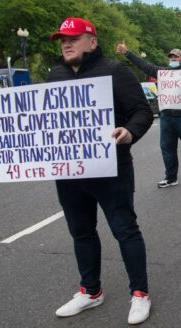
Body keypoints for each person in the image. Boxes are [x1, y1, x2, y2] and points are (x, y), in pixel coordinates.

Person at [48, 17, 153, 324]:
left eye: (73, 38)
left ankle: (140, 294)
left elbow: (142, 112)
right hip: (69, 171)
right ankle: (90, 292)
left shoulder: (115, 71)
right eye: (62, 40)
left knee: (125, 230)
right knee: (81, 232)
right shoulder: (54, 75)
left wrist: (130, 132)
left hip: (111, 169)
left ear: (92, 42)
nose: (66, 44)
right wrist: (11, 143)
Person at [116, 42, 181, 189]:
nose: (173, 59)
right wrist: (128, 53)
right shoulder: (163, 73)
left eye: (176, 57)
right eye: (171, 57)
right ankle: (171, 178)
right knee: (167, 149)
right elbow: (144, 65)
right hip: (166, 117)